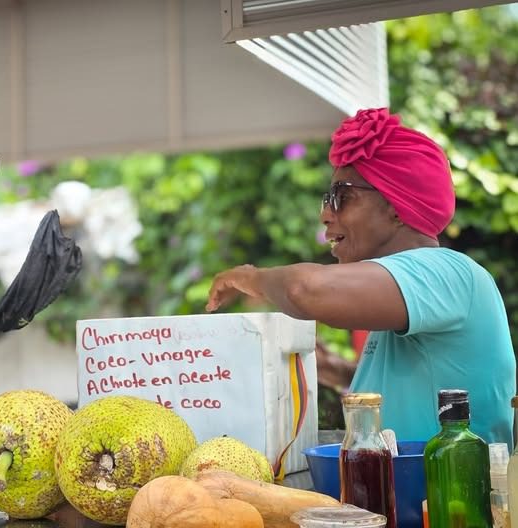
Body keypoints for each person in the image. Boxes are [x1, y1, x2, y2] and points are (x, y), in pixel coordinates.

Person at [206, 107, 515, 445]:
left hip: (451, 494)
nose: (325, 214)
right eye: (328, 198)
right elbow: (416, 391)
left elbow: (304, 289)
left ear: (396, 207)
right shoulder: (407, 289)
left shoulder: (447, 271)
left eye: (342, 196)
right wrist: (338, 370)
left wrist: (251, 278)